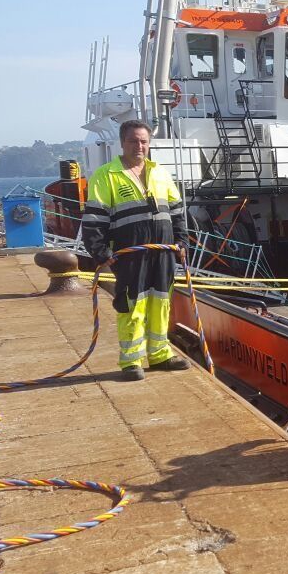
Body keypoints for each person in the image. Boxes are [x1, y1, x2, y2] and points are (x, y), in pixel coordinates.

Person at [81, 119, 190, 380]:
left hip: (163, 252)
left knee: (161, 302)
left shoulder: (160, 173)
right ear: (122, 143)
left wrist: (182, 242)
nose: (138, 146)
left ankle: (160, 355)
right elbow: (94, 220)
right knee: (132, 306)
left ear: (149, 144)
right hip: (130, 254)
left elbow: (177, 212)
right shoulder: (105, 175)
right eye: (133, 141)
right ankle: (131, 361)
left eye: (143, 141)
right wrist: (101, 254)